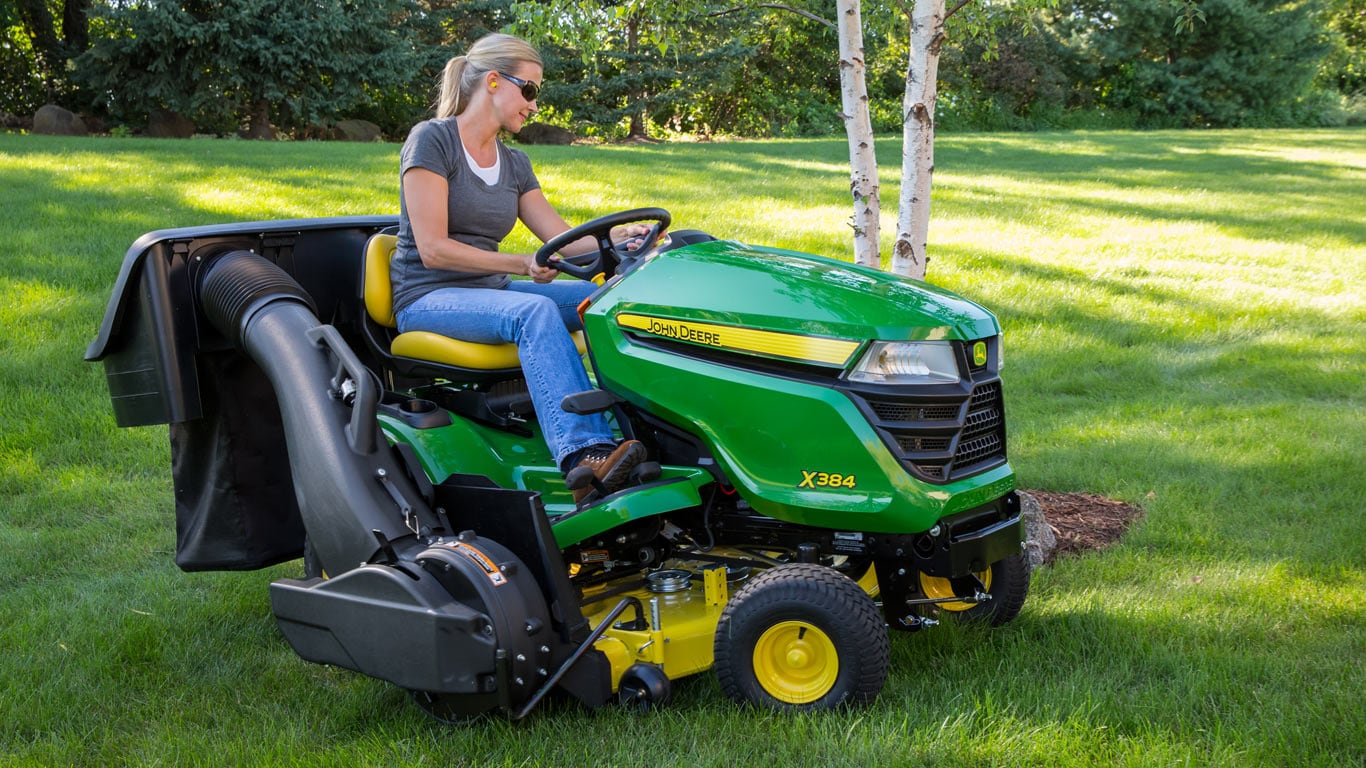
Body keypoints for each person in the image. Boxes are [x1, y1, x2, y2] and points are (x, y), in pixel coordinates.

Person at [393, 32, 646, 501]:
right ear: (493, 81)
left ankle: (650, 428)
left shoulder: (515, 163)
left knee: (614, 300)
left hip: (491, 290)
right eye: (529, 89)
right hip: (427, 296)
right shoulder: (432, 141)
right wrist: (519, 263)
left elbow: (562, 239)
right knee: (534, 313)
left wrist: (622, 239)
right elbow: (433, 249)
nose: (534, 104)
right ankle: (585, 455)